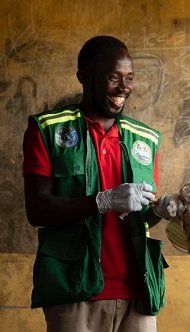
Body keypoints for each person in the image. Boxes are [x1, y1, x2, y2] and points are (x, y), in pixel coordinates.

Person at [23, 35, 175, 332]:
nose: (124, 87)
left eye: (129, 78)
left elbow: (139, 217)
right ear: (85, 78)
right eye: (113, 77)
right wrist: (100, 201)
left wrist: (160, 211)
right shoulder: (48, 129)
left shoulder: (144, 138)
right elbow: (37, 210)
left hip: (139, 292)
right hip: (74, 291)